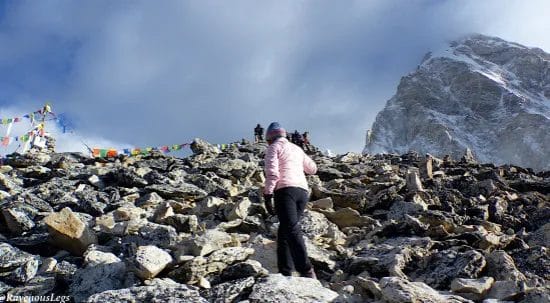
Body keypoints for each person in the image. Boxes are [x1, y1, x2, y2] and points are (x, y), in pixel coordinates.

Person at [263, 122, 318, 278]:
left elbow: (273, 174)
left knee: (292, 229)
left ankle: (306, 270)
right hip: (302, 192)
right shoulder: (296, 148)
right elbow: (313, 169)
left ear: (270, 138)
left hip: (285, 191)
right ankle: (284, 271)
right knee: (285, 230)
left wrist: (267, 195)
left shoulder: (273, 148)